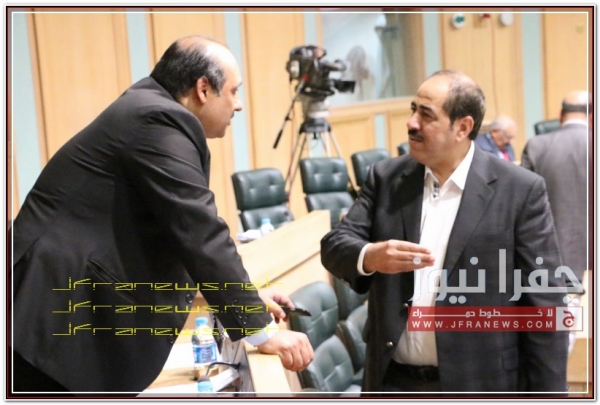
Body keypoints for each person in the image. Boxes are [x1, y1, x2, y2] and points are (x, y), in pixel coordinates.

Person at [10, 35, 313, 394]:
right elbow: (200, 233)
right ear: (203, 88)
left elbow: (174, 235)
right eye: (234, 92)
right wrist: (261, 331)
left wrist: (246, 298)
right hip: (48, 316)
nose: (239, 104)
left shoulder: (150, 111)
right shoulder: (158, 120)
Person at [320, 70, 568, 394]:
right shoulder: (386, 178)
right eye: (413, 110)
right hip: (392, 384)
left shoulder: (519, 190)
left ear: (462, 127)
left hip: (480, 386)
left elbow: (545, 304)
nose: (411, 123)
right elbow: (334, 245)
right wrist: (370, 256)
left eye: (426, 115)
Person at [521, 90, 591, 353]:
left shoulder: (536, 146)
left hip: (553, 255)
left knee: (558, 337)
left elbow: (521, 206)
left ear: (561, 115)